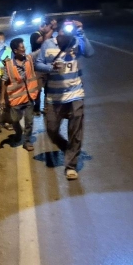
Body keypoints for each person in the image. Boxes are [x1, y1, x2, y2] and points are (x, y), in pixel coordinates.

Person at [35, 20, 95, 180]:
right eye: (64, 29)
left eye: (70, 30)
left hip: (75, 94)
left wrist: (81, 31)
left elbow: (90, 53)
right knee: (51, 129)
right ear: (59, 30)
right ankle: (66, 147)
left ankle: (71, 166)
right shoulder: (48, 44)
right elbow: (38, 64)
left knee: (76, 132)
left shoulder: (76, 42)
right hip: (54, 97)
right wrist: (51, 68)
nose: (67, 32)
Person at [3, 38, 40, 151]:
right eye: (22, 48)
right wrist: (2, 99)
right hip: (16, 98)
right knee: (14, 120)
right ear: (15, 50)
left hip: (29, 97)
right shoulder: (9, 65)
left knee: (29, 121)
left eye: (24, 47)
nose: (24, 49)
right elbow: (4, 81)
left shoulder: (29, 58)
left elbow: (40, 50)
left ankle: (27, 141)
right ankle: (18, 132)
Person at [29, 19, 54, 114]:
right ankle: (36, 108)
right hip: (37, 67)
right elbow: (42, 41)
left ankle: (46, 108)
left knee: (48, 88)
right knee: (37, 89)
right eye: (45, 26)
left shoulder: (51, 37)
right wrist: (52, 29)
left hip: (47, 66)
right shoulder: (35, 35)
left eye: (47, 26)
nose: (46, 28)